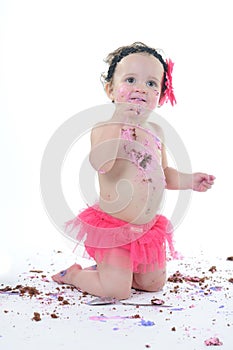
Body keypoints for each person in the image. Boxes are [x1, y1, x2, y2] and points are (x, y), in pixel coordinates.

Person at [52, 42, 215, 299]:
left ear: (160, 96)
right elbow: (102, 164)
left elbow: (164, 173)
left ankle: (114, 270)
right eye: (131, 79)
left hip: (146, 230)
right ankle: (76, 275)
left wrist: (190, 180)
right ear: (111, 90)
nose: (141, 88)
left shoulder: (156, 132)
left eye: (152, 83)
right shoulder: (105, 127)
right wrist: (120, 122)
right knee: (117, 291)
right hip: (113, 229)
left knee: (152, 284)